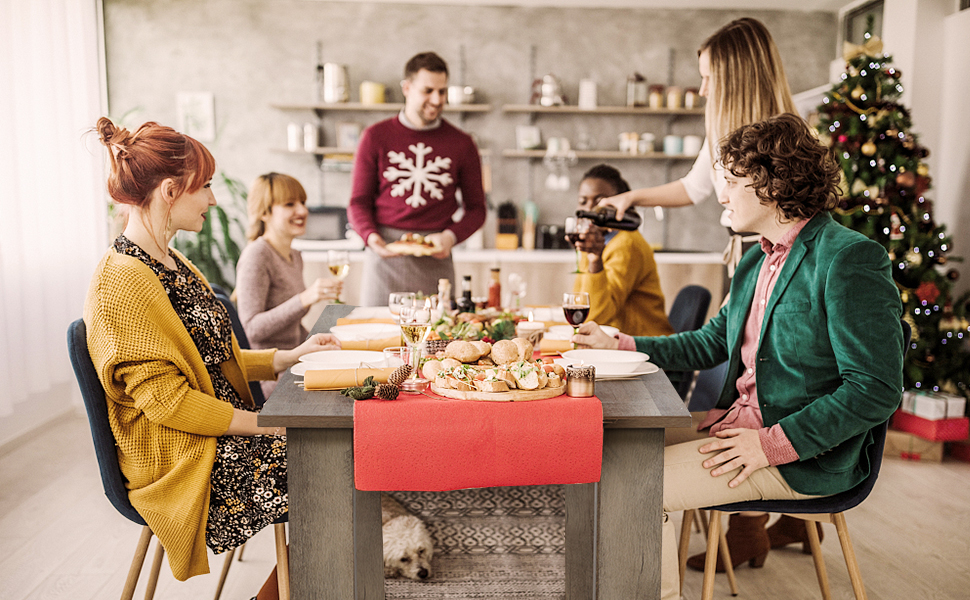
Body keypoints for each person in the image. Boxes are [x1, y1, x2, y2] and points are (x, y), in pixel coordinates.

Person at [572, 114, 903, 600]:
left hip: (800, 455)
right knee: (610, 452)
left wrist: (768, 445)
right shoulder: (754, 259)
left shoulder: (848, 257)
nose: (721, 194)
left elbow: (874, 389)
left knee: (639, 487)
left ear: (771, 183)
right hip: (737, 426)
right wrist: (621, 342)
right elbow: (709, 343)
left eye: (730, 180)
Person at [84, 118, 340, 599]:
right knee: (331, 467)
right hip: (184, 457)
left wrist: (288, 357)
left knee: (337, 458)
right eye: (204, 188)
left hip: (218, 436)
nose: (214, 200)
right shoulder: (121, 282)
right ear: (169, 191)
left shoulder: (170, 261)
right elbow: (169, 404)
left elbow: (212, 359)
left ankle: (313, 587)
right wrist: (267, 425)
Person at [599, 17, 798, 278]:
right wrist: (631, 197)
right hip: (743, 252)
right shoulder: (722, 133)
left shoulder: (786, 141)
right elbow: (694, 187)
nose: (703, 90)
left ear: (735, 80)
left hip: (772, 254)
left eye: (708, 78)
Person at [347, 51, 487, 306]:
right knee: (378, 336)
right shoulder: (375, 137)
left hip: (437, 259)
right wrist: (370, 236)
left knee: (438, 339)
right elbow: (358, 201)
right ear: (407, 88)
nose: (436, 99)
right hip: (385, 258)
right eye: (428, 90)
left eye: (442, 91)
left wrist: (450, 237)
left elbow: (477, 209)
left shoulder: (462, 144)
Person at [235, 172, 341, 397]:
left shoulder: (294, 255)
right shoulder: (257, 255)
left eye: (303, 203)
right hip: (274, 376)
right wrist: (304, 298)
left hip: (298, 362)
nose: (302, 211)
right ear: (265, 212)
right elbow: (252, 329)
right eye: (289, 204)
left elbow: (291, 329)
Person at [571, 164, 674, 337]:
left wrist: (593, 257)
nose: (589, 209)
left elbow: (596, 316)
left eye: (599, 201)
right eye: (583, 201)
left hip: (644, 346)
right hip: (615, 342)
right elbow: (580, 302)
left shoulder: (627, 244)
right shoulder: (601, 240)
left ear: (618, 203)